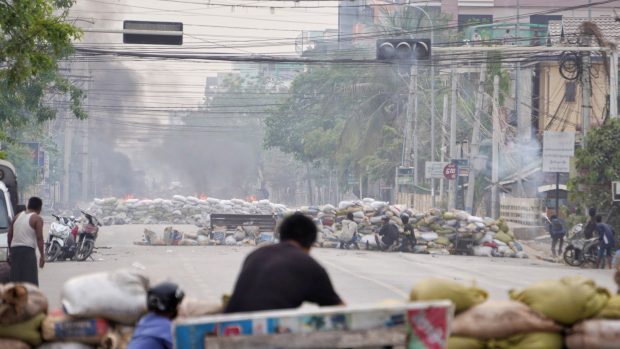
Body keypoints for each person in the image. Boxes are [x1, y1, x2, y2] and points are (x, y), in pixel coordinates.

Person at [225, 213, 343, 313]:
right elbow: (339, 310)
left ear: (281, 235)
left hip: (230, 329)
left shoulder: (255, 255)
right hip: (269, 333)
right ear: (310, 242)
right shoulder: (308, 265)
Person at [128, 282, 185, 349]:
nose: (179, 307)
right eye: (178, 304)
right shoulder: (166, 327)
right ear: (171, 307)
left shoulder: (145, 321)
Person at [7, 197, 45, 286]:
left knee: (16, 280)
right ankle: (29, 299)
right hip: (27, 251)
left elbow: (9, 235)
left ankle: (15, 298)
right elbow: (40, 238)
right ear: (39, 208)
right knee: (30, 280)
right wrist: (42, 256)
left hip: (15, 250)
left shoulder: (17, 216)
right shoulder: (36, 218)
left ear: (28, 205)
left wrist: (10, 252)